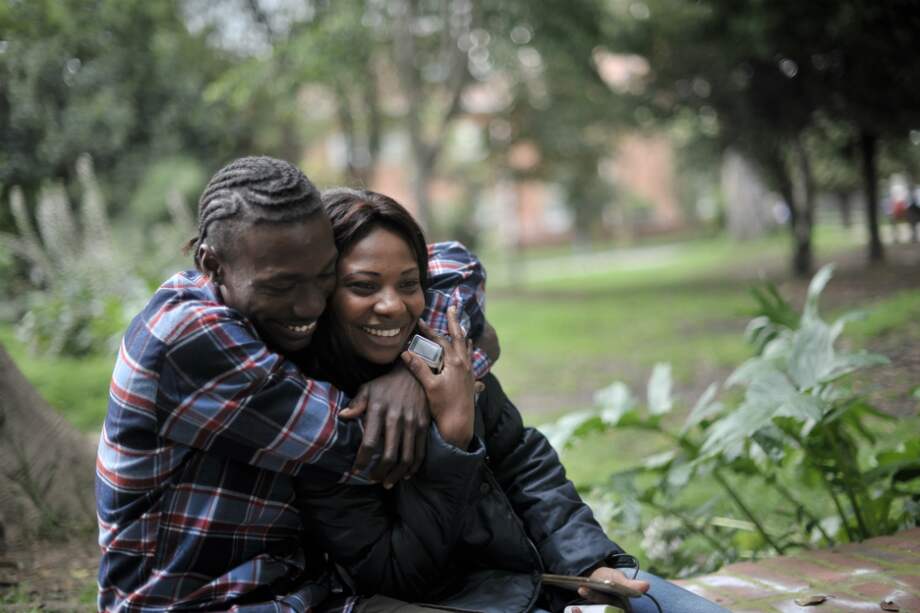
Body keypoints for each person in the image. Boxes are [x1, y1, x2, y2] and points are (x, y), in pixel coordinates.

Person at [294, 188, 728, 613]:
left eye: (408, 283)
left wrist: (590, 562)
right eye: (363, 286)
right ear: (323, 292)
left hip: (547, 579)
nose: (392, 305)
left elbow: (523, 462)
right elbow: (398, 575)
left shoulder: (447, 363)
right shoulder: (321, 416)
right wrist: (453, 439)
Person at [95, 157, 494, 611]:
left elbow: (455, 265)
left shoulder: (266, 300)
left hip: (307, 593)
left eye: (325, 275)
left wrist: (409, 367)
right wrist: (447, 369)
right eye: (281, 285)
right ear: (212, 264)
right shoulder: (188, 336)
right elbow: (376, 446)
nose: (309, 306)